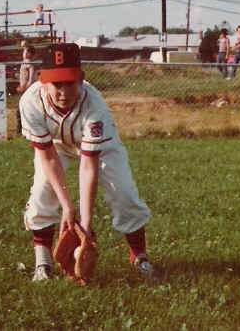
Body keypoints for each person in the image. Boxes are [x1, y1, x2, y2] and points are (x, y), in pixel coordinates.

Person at [19, 43, 154, 282]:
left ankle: (139, 256)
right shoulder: (31, 102)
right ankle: (43, 262)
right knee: (42, 190)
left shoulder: (94, 105)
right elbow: (48, 156)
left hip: (101, 145)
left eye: (69, 82)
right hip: (56, 145)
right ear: (42, 81)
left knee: (123, 192)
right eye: (55, 83)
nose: (62, 91)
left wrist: (85, 225)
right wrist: (68, 208)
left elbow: (88, 165)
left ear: (81, 79)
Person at [16, 44, 38, 135]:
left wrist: (25, 87)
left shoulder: (28, 63)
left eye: (25, 51)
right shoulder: (25, 62)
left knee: (23, 109)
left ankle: (23, 130)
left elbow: (31, 78)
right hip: (25, 88)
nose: (23, 53)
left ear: (29, 53)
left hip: (26, 89)